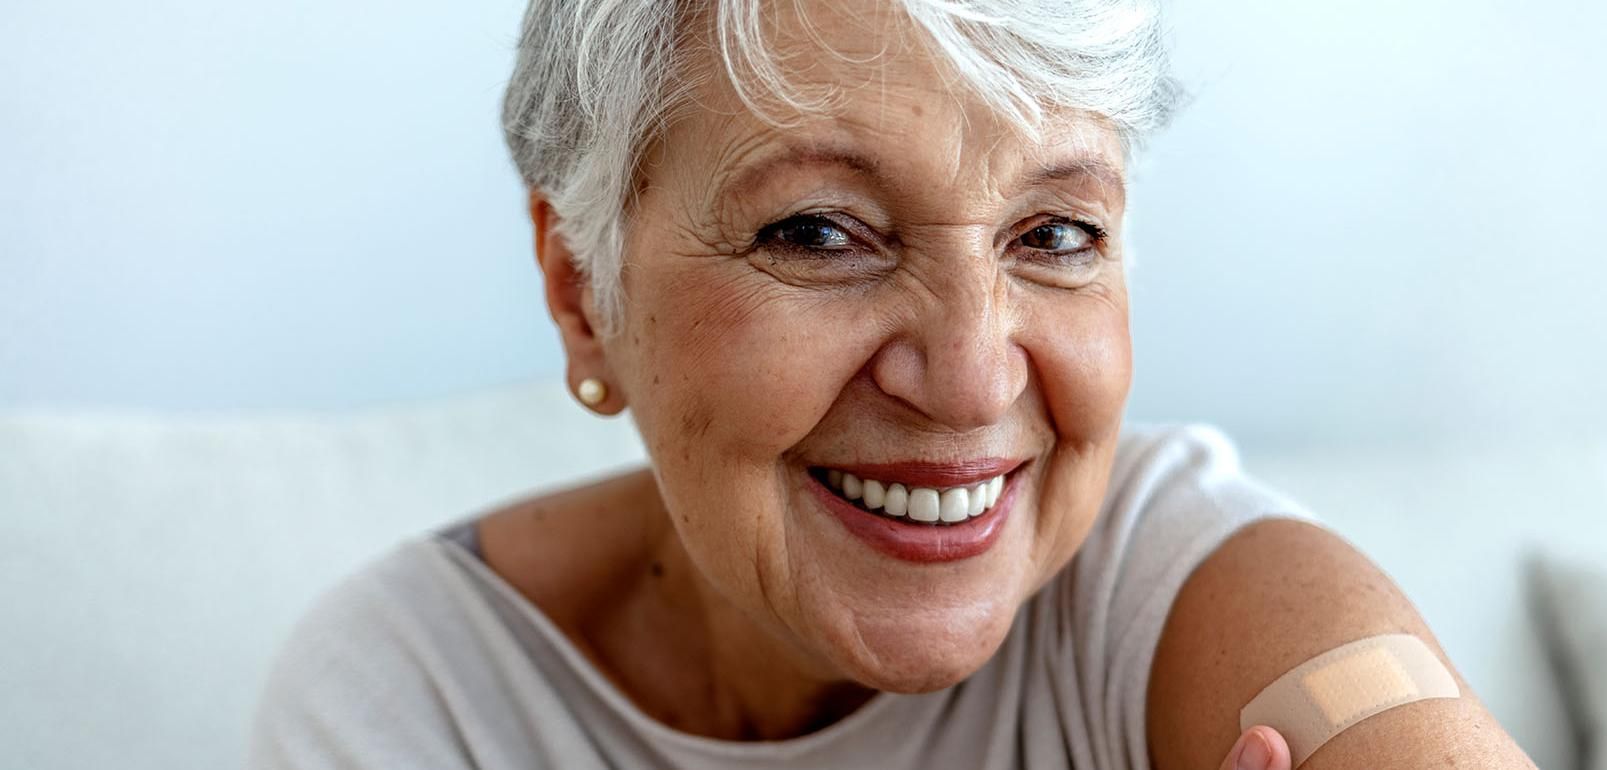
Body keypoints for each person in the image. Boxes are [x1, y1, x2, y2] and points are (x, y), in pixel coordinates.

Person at [251, 1, 1535, 767]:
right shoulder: (419, 693)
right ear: (585, 291)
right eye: (819, 231)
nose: (972, 378)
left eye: (1055, 233)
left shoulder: (1175, 579)